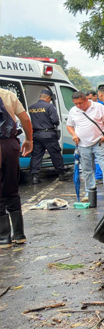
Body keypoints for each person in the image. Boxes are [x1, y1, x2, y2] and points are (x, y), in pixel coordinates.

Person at [66, 91, 104, 203]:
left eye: (80, 103)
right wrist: (74, 135)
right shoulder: (73, 111)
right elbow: (69, 126)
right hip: (82, 145)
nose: (79, 106)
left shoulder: (98, 107)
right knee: (87, 170)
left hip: (99, 142)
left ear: (86, 100)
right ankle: (89, 192)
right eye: (76, 104)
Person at [0, 87, 33, 249]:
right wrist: (29, 139)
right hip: (10, 145)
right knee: (11, 188)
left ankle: (3, 238)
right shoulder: (7, 94)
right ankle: (19, 235)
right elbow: (25, 119)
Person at [28, 89, 66, 184]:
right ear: (47, 97)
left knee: (36, 155)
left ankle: (35, 176)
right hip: (48, 134)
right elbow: (55, 121)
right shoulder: (49, 106)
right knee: (55, 154)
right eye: (50, 99)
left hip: (36, 134)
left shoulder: (31, 107)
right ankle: (61, 174)